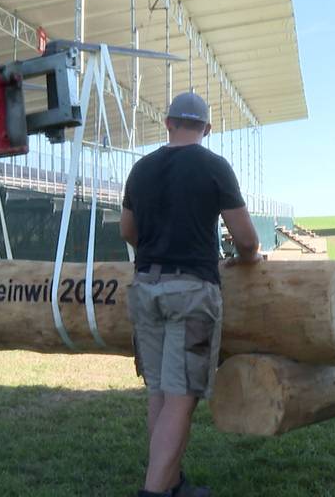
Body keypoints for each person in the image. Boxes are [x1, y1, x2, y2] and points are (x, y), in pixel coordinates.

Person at [121, 92, 261, 497]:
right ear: (207, 129)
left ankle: (171, 483)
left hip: (145, 286)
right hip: (192, 292)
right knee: (182, 398)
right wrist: (247, 257)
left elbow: (127, 231)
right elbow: (247, 239)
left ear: (167, 123)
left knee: (160, 393)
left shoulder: (141, 168)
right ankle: (155, 491)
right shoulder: (214, 166)